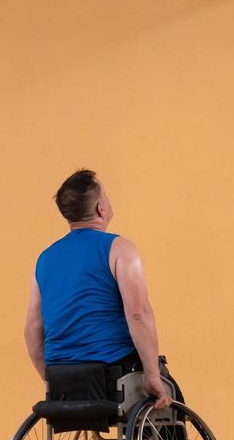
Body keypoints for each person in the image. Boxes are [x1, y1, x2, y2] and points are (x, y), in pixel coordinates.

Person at [24, 169, 175, 408]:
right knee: (169, 391)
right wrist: (153, 375)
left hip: (62, 377)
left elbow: (33, 328)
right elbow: (138, 313)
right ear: (101, 208)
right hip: (111, 373)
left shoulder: (45, 258)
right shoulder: (120, 249)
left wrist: (51, 379)